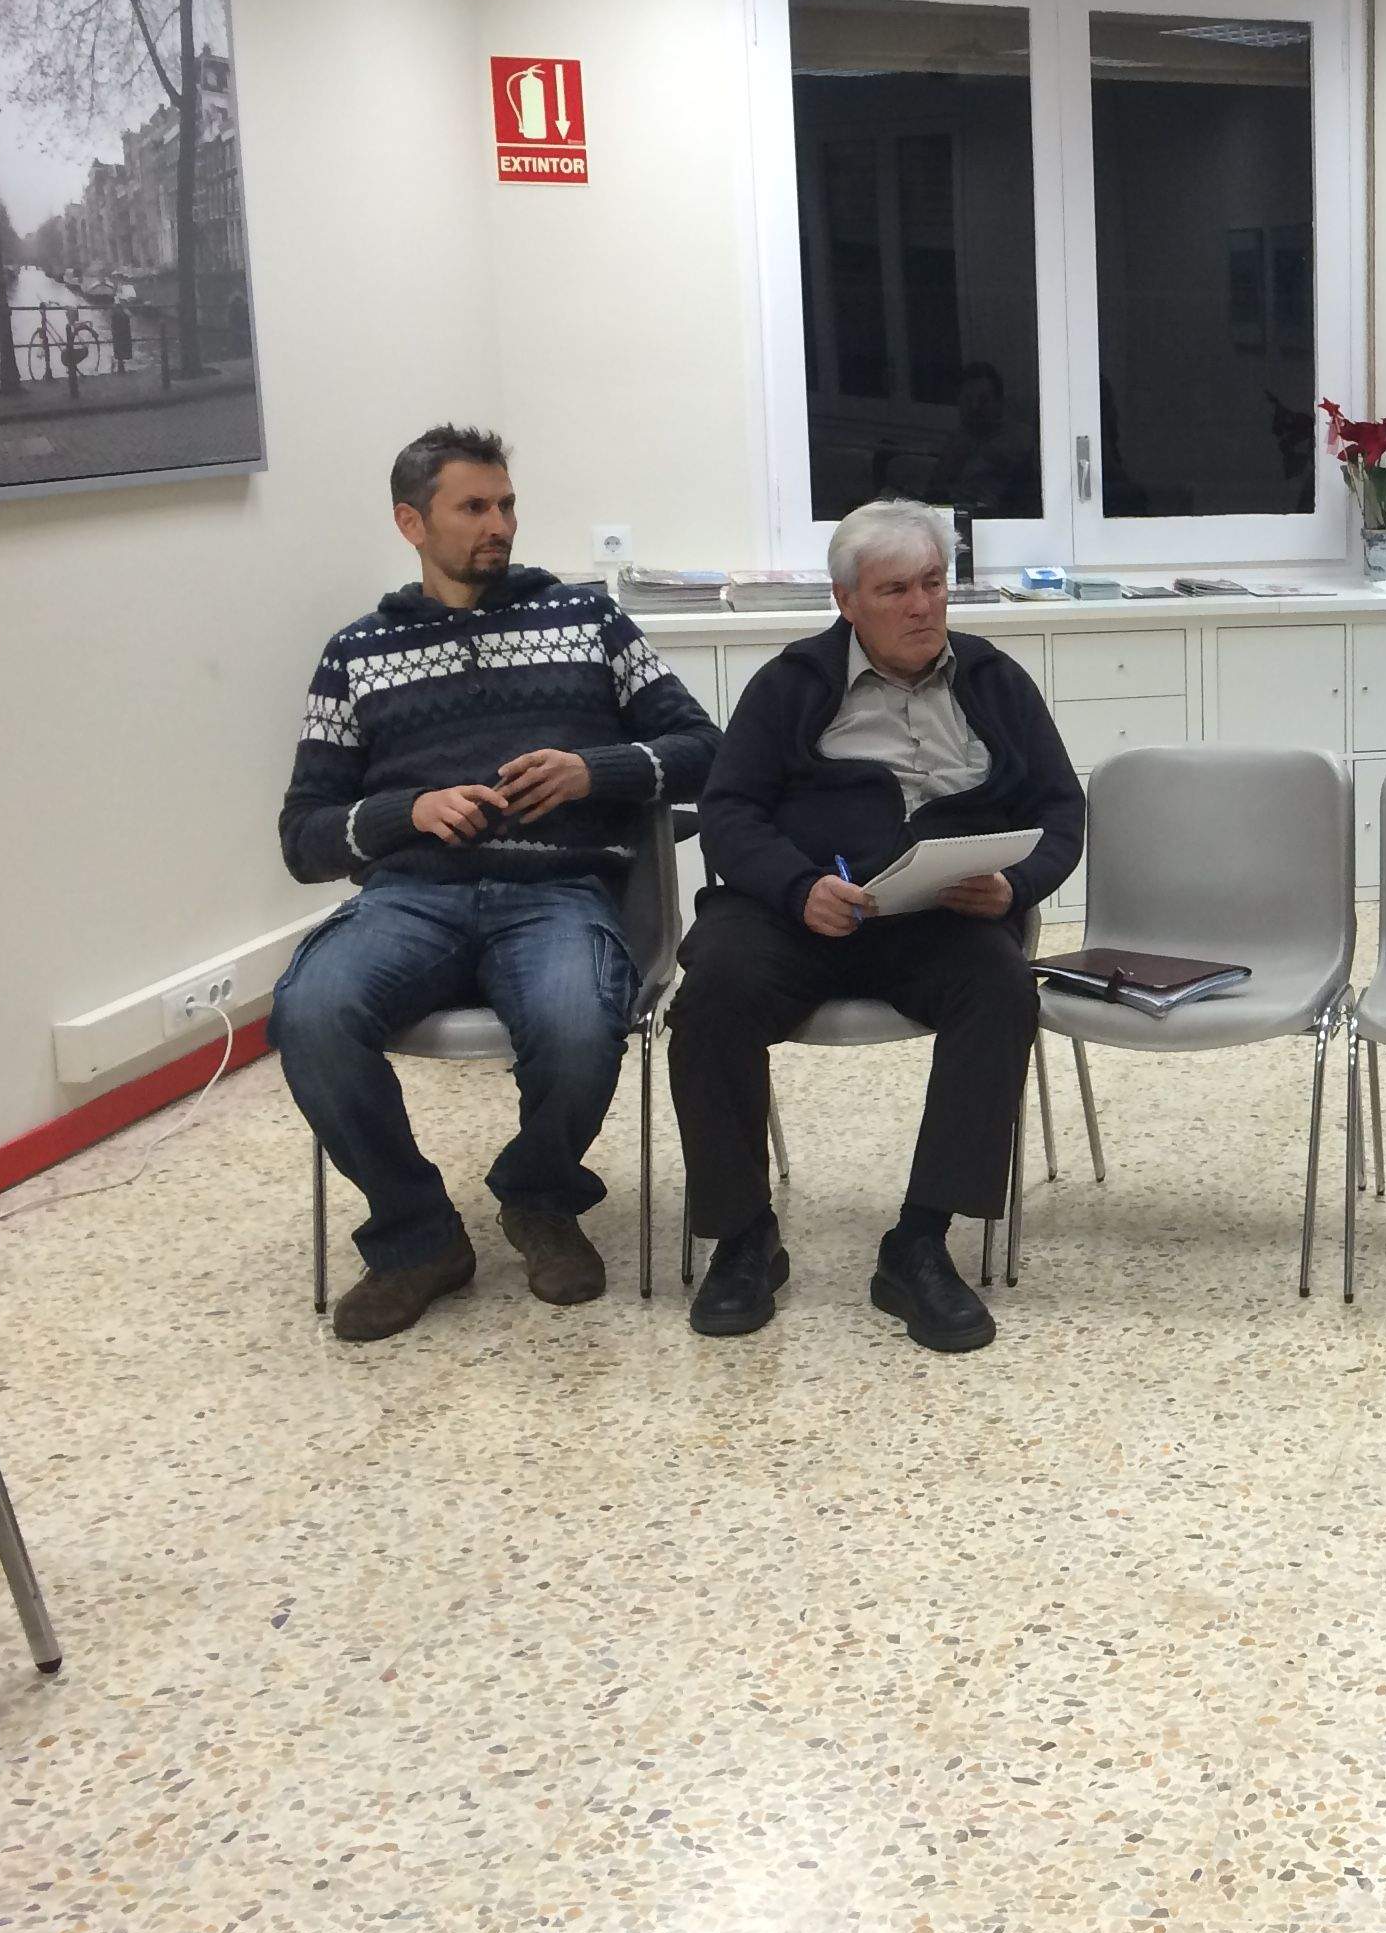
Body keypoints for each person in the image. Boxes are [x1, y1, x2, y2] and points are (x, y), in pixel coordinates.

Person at [271, 426, 721, 1342]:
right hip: (410, 899)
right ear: (411, 522)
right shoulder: (356, 654)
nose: (499, 525)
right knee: (310, 1013)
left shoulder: (589, 623)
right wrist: (408, 812)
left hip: (556, 894)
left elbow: (706, 749)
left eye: (506, 505)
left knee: (573, 1019)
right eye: (473, 508)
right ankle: (416, 1237)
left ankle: (539, 1197)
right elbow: (304, 837)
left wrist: (596, 771)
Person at [668, 499, 1082, 1353]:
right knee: (712, 995)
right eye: (896, 589)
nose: (923, 606)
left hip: (937, 916)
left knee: (1001, 989)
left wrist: (1014, 886)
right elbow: (731, 810)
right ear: (846, 600)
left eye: (933, 584)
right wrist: (794, 885)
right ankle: (744, 1238)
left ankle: (920, 1244)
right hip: (797, 913)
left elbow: (1062, 812)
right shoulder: (791, 683)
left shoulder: (994, 680)